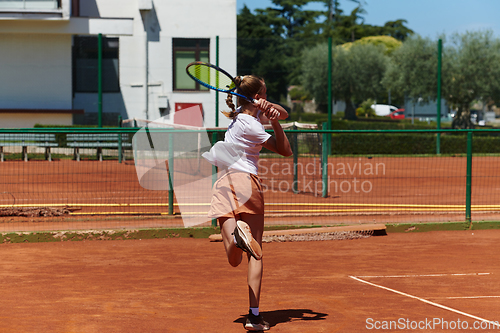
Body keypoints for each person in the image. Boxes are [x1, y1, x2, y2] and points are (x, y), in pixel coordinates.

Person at [204, 75, 292, 331]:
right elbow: (285, 150)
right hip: (246, 183)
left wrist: (270, 109)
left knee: (233, 258)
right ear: (257, 96)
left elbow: (283, 112)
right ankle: (254, 316)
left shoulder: (237, 119)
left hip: (222, 183)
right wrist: (274, 123)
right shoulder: (254, 126)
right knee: (256, 253)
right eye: (266, 92)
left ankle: (236, 236)